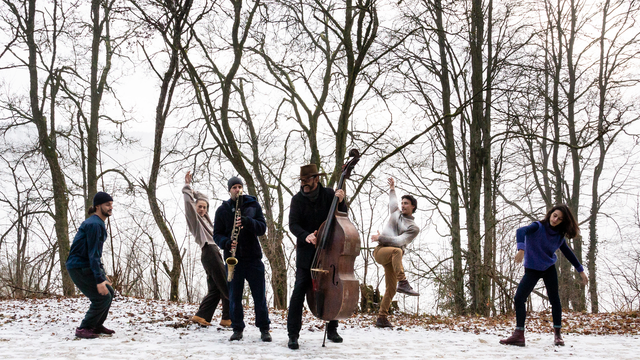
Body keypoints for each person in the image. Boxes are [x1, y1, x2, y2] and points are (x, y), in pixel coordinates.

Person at [500, 204, 589, 347]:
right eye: (555, 216)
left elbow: (567, 252)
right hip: (532, 269)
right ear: (550, 214)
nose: (555, 220)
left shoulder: (559, 235)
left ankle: (558, 335)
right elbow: (521, 230)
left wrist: (581, 271)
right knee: (519, 297)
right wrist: (521, 249)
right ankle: (519, 335)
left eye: (559, 219)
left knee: (555, 300)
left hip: (548, 268)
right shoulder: (538, 226)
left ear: (562, 222)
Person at [287, 164, 347, 350]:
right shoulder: (297, 200)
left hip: (329, 252)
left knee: (331, 289)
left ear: (316, 179)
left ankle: (332, 329)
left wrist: (342, 201)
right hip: (307, 254)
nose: (304, 184)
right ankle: (293, 335)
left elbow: (342, 216)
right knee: (298, 292)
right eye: (302, 181)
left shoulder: (329, 195)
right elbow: (293, 224)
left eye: (307, 180)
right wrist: (306, 235)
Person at [213, 176, 271, 342]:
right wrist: (226, 242)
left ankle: (264, 328)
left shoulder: (253, 205)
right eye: (234, 187)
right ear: (229, 190)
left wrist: (248, 221)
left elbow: (262, 228)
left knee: (259, 296)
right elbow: (216, 234)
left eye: (239, 187)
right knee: (234, 296)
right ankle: (237, 328)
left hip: (253, 258)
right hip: (233, 259)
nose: (237, 190)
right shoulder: (222, 210)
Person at [183, 171, 231, 328]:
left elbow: (204, 198)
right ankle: (229, 318)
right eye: (199, 207)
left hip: (214, 252)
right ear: (195, 207)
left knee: (216, 289)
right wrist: (188, 187)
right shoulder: (195, 221)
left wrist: (199, 195)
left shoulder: (208, 221)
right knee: (226, 284)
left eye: (204, 207)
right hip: (209, 251)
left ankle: (201, 316)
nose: (202, 209)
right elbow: (188, 204)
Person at [66, 191, 116, 339]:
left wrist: (102, 273)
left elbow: (95, 254)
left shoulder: (97, 223)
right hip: (79, 266)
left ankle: (96, 325)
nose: (110, 207)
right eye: (107, 205)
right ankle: (84, 328)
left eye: (112, 205)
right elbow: (92, 254)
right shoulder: (94, 224)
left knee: (109, 292)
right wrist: (99, 280)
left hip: (85, 264)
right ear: (98, 206)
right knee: (101, 297)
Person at [371, 177, 420, 328]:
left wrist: (381, 237)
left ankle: (382, 318)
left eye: (406, 203)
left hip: (393, 256)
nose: (403, 205)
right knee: (397, 252)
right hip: (381, 252)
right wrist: (392, 188)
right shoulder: (395, 213)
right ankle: (403, 282)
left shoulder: (413, 228)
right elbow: (392, 201)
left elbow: (400, 241)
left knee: (391, 288)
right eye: (402, 203)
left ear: (413, 207)